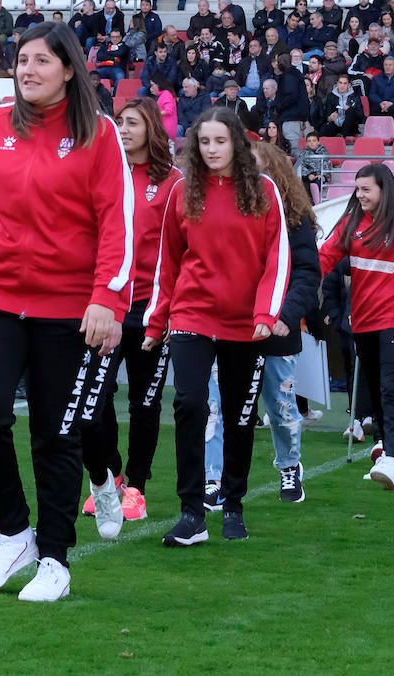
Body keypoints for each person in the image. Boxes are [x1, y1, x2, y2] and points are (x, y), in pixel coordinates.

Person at [0, 21, 132, 602]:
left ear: (69, 69)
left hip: (70, 307)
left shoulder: (99, 135)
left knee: (55, 434)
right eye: (22, 60)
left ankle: (56, 561)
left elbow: (118, 225)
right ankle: (13, 532)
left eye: (42, 60)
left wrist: (106, 299)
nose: (28, 70)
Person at [142, 106, 288, 545]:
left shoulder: (263, 191)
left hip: (246, 322)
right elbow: (167, 262)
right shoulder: (182, 192)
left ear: (237, 143)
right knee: (189, 404)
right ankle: (191, 514)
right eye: (203, 142)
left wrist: (265, 315)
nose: (211, 149)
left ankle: (234, 504)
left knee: (240, 416)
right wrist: (156, 322)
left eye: (219, 141)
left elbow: (277, 259)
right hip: (191, 314)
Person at [76, 97, 179, 535]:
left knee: (145, 402)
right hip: (108, 306)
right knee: (93, 404)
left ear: (151, 128)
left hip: (152, 310)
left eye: (132, 122)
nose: (123, 129)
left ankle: (136, 486)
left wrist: (170, 309)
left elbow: (181, 251)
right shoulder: (106, 175)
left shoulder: (173, 182)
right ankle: (110, 473)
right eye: (119, 122)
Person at [320, 163, 394, 490]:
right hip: (363, 321)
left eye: (366, 189)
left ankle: (393, 459)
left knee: (391, 388)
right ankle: (388, 450)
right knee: (376, 388)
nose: (360, 195)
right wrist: (297, 275)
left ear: (384, 189)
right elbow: (325, 257)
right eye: (357, 189)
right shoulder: (350, 223)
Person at [249, 140, 322, 502]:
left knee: (280, 406)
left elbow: (307, 274)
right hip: (234, 327)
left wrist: (286, 316)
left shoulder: (295, 220)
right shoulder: (230, 210)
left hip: (278, 328)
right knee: (220, 408)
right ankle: (215, 480)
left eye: (256, 166)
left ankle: (290, 467)